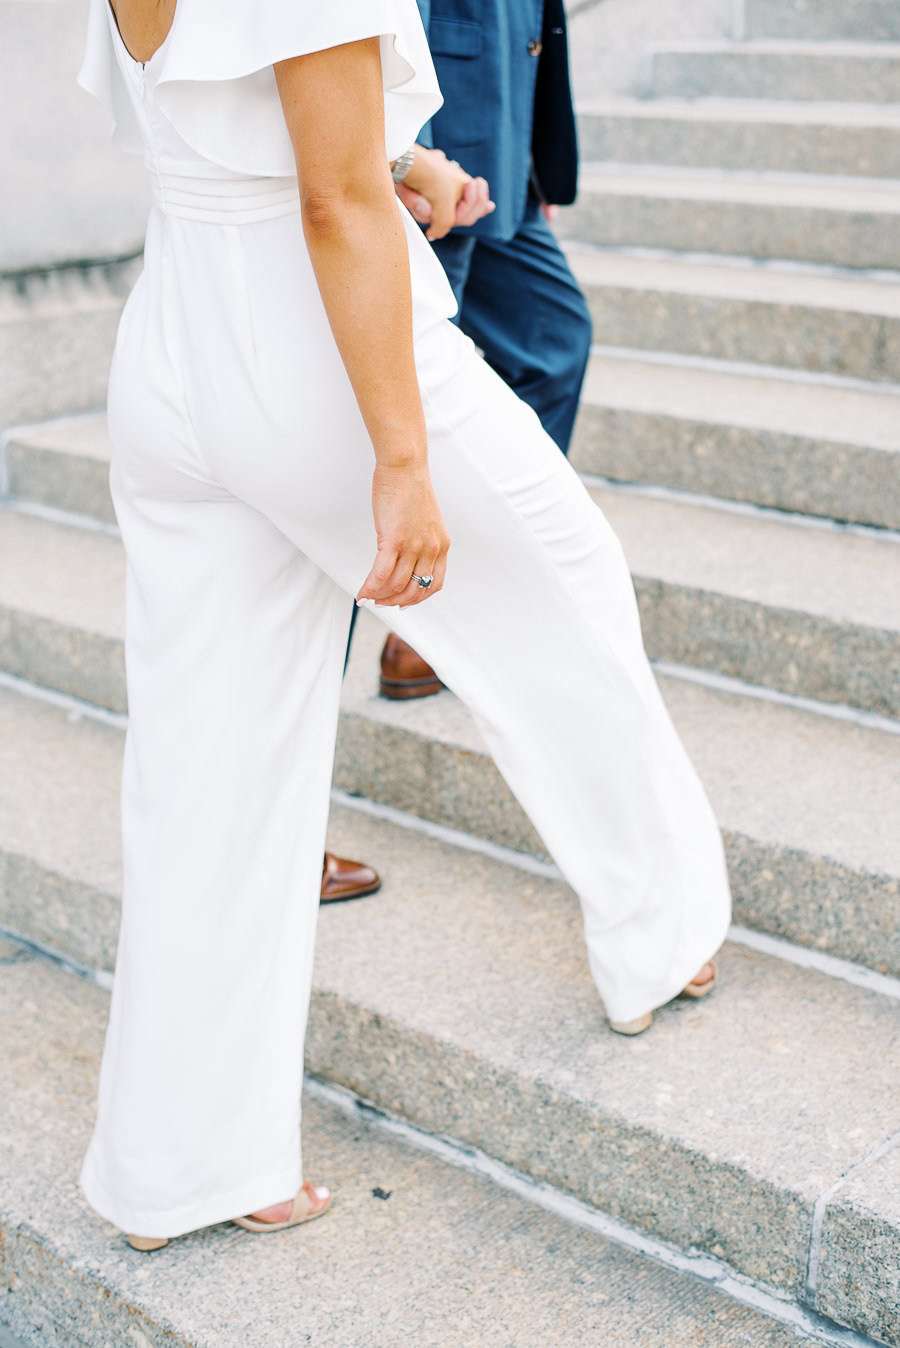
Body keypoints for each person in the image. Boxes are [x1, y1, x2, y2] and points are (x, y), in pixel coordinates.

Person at [76, 0, 730, 1250]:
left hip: (171, 349)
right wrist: (401, 459)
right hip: (314, 344)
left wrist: (406, 160)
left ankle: (182, 1165)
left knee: (205, 765)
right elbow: (329, 204)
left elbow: (235, 114)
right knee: (568, 580)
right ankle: (660, 934)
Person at [379, 0, 593, 701]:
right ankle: (422, 610)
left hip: (500, 138)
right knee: (425, 384)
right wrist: (410, 158)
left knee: (553, 340)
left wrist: (533, 154)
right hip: (441, 155)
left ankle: (475, 580)